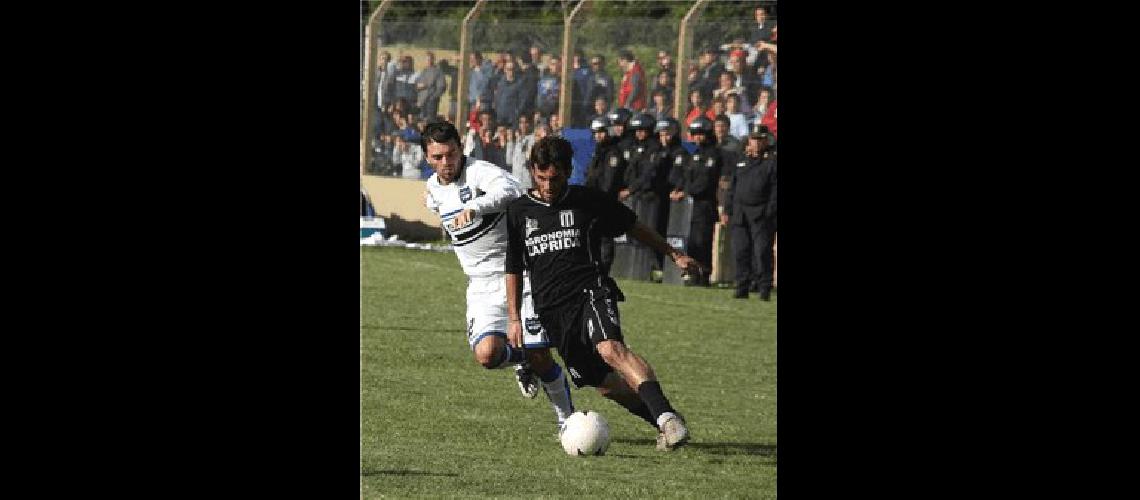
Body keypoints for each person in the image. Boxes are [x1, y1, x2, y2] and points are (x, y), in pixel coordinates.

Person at [504, 136, 698, 451]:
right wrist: (514, 318)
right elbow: (513, 266)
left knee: (610, 349)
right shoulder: (518, 212)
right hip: (552, 311)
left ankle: (666, 419)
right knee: (605, 385)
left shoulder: (588, 200)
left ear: (567, 171)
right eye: (541, 178)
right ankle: (666, 421)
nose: (548, 185)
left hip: (590, 291)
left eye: (555, 178)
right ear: (532, 172)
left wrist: (673, 254)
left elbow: (633, 225)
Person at [420, 121, 577, 434]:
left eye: (450, 154)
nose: (446, 163)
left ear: (460, 146)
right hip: (481, 286)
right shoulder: (433, 190)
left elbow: (511, 190)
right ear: (427, 158)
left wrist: (476, 207)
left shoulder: (480, 171)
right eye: (437, 157)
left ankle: (567, 421)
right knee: (488, 355)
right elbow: (433, 202)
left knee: (540, 353)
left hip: (519, 275)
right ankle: (522, 360)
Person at [722, 123, 777, 300]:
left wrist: (769, 212)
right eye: (753, 140)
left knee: (762, 251)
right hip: (740, 213)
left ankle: (763, 287)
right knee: (741, 251)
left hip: (761, 213)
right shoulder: (741, 161)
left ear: (765, 142)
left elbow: (775, 191)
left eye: (759, 140)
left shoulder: (771, 163)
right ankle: (741, 286)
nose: (755, 143)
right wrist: (727, 209)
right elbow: (732, 187)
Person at [669, 117, 722, 286]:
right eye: (695, 134)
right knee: (691, 241)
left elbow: (705, 182)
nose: (697, 138)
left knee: (702, 242)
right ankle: (692, 274)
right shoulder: (695, 153)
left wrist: (686, 192)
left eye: (701, 134)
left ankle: (704, 275)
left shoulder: (713, 154)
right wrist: (678, 189)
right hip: (690, 207)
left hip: (704, 206)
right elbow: (686, 176)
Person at [584, 115, 627, 276]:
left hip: (605, 202)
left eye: (601, 132)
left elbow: (609, 182)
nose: (598, 136)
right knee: (593, 237)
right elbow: (591, 177)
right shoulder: (598, 152)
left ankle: (603, 272)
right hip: (593, 202)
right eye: (595, 133)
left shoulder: (613, 153)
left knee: (605, 239)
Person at [415, 51, 447, 120]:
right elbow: (417, 85)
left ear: (433, 59)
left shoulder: (438, 72)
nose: (428, 61)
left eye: (430, 59)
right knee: (421, 122)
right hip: (422, 102)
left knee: (430, 122)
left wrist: (432, 98)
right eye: (427, 59)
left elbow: (442, 87)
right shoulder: (423, 71)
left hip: (431, 103)